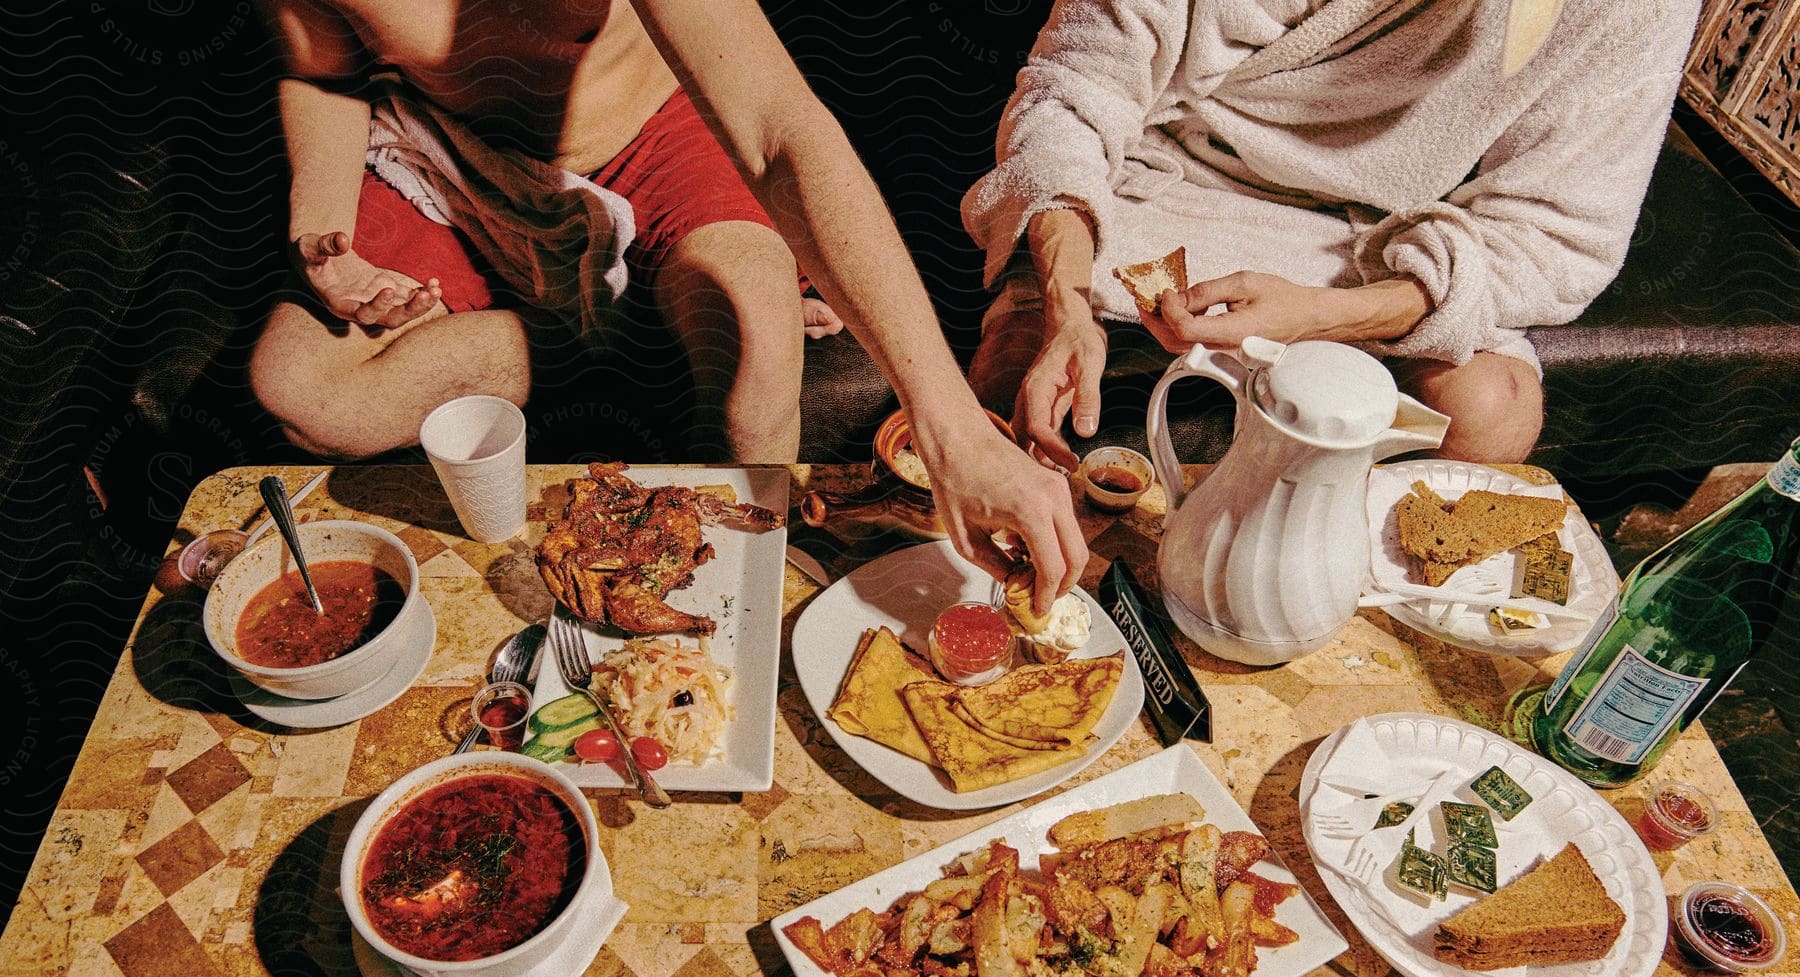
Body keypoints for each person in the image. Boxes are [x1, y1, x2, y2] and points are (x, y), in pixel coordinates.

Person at [251, 0, 1085, 611]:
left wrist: (954, 428)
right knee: (306, 395)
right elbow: (320, 70)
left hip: (653, 134)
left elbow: (774, 126)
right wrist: (326, 241)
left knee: (757, 333)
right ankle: (624, 327)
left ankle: (730, 624)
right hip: (460, 164)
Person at [962, 0, 1702, 467]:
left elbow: (1559, 233)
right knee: (1019, 383)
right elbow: (1078, 88)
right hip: (1170, 171)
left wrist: (1329, 315)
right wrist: (1064, 293)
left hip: (1369, 240)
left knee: (1494, 410)